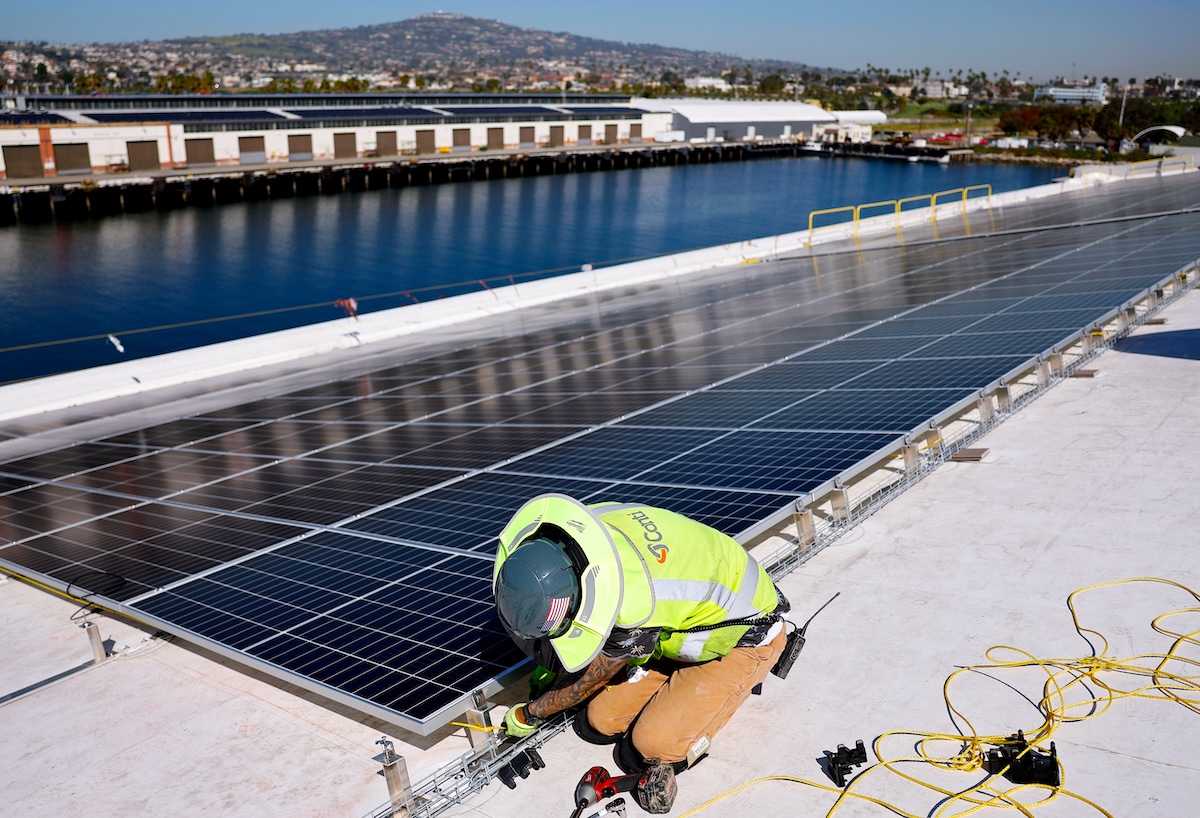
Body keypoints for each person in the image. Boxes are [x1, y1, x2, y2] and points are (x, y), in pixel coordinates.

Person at [492, 493, 789, 775]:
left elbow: (593, 676)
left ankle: (742, 679)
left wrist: (530, 714)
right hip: (674, 629)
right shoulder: (582, 526)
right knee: (598, 722)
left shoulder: (632, 601)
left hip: (742, 638)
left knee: (649, 749)